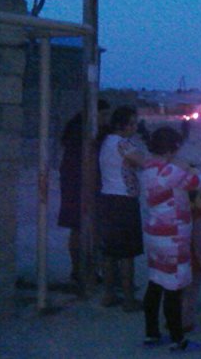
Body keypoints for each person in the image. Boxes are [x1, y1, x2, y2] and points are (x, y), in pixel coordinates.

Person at [139, 127, 201, 352]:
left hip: (155, 234)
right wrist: (189, 167)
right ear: (171, 148)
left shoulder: (148, 168)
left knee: (155, 283)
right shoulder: (172, 171)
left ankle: (151, 334)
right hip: (173, 236)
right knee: (173, 288)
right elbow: (199, 182)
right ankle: (178, 339)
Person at [57, 99, 111, 283]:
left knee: (91, 228)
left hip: (88, 183)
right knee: (79, 227)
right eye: (103, 115)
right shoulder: (78, 131)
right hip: (77, 183)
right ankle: (79, 270)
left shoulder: (98, 131)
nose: (106, 119)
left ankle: (88, 269)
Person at [98, 105, 144, 312]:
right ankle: (128, 299)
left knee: (110, 251)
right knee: (127, 253)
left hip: (108, 198)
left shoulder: (107, 141)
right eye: (131, 124)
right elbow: (144, 162)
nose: (134, 127)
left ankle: (109, 295)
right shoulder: (123, 144)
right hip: (124, 201)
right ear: (122, 125)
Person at [181, 190, 201, 334]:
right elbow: (199, 247)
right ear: (191, 203)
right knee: (191, 294)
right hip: (194, 264)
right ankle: (186, 323)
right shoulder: (197, 220)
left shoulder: (182, 216)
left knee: (181, 293)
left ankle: (173, 318)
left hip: (182, 261)